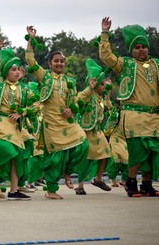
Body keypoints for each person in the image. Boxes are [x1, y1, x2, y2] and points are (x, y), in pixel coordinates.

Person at [25, 25, 90, 200]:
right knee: (54, 158)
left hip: (67, 122)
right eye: (56, 61)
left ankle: (67, 173)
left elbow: (75, 100)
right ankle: (51, 190)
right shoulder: (44, 76)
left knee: (83, 144)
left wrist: (72, 109)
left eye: (62, 61)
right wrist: (31, 40)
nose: (59, 63)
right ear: (50, 63)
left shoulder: (70, 81)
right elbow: (30, 60)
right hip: (51, 123)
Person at [99, 17, 159, 197]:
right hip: (133, 114)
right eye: (137, 47)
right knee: (137, 151)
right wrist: (105, 33)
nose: (141, 50)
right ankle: (131, 183)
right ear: (131, 50)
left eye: (143, 46)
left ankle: (147, 184)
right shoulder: (124, 64)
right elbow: (106, 56)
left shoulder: (156, 64)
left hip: (154, 115)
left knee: (153, 152)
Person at [0, 39, 33, 200]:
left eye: (18, 69)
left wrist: (22, 112)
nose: (17, 72)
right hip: (0, 122)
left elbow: (36, 104)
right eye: (13, 69)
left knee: (16, 157)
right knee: (6, 149)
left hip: (15, 124)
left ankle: (13, 191)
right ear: (6, 71)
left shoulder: (23, 88)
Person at [74, 59, 114, 195]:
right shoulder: (87, 95)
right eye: (101, 83)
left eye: (104, 84)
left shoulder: (100, 98)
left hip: (98, 132)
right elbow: (79, 99)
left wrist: (107, 91)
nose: (104, 86)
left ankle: (98, 179)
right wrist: (89, 89)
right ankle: (79, 186)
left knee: (106, 155)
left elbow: (109, 106)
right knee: (85, 159)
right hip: (86, 133)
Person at [104, 100, 129, 188]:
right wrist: (107, 93)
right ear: (118, 105)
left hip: (125, 138)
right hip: (115, 137)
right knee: (115, 159)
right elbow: (108, 103)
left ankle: (123, 181)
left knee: (127, 160)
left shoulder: (128, 113)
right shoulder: (114, 111)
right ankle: (113, 181)